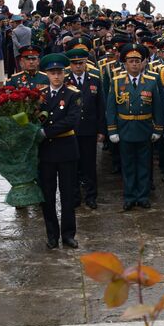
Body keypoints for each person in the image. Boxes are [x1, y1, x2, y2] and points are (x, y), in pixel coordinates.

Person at [106, 42, 162, 211]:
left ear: (143, 63)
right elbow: (111, 108)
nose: (135, 64)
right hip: (125, 128)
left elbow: (157, 107)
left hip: (145, 128)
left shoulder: (151, 81)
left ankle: (143, 196)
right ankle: (130, 196)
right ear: (125, 63)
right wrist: (112, 130)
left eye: (138, 61)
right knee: (128, 165)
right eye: (131, 61)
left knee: (145, 164)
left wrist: (158, 128)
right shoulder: (116, 82)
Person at [38, 53, 81, 248]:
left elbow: (71, 120)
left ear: (64, 74)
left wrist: (45, 132)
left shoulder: (73, 94)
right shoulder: (40, 95)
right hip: (46, 152)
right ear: (46, 74)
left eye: (59, 73)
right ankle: (52, 235)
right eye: (52, 73)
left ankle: (68, 234)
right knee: (47, 196)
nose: (56, 76)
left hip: (65, 149)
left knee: (67, 195)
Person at [63, 46, 104, 209]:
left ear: (86, 63)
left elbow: (101, 107)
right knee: (72, 165)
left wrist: (102, 130)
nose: (78, 66)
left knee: (89, 165)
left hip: (89, 129)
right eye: (74, 63)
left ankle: (91, 196)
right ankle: (74, 196)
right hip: (70, 131)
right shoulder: (65, 81)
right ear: (70, 65)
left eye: (81, 63)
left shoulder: (94, 79)